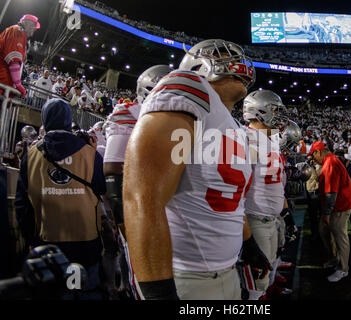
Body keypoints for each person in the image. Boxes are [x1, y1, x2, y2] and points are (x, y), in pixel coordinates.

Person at [123, 39, 270, 300]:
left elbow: (232, 201)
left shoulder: (232, 125)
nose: (236, 62)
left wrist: (248, 244)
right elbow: (142, 197)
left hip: (227, 272)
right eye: (223, 55)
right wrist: (158, 291)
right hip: (187, 281)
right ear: (198, 65)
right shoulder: (189, 87)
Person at [14, 98, 106, 299]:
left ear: (45, 120)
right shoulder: (90, 153)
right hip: (86, 243)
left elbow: (22, 205)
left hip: (49, 244)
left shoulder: (31, 156)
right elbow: (100, 189)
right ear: (68, 119)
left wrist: (31, 239)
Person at [103, 65, 173, 299]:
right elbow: (113, 169)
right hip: (140, 212)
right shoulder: (131, 112)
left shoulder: (175, 120)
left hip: (168, 210)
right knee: (143, 279)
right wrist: (125, 223)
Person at [241, 89, 290, 300]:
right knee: (257, 279)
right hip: (255, 219)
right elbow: (238, 185)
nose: (278, 116)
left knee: (268, 272)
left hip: (271, 219)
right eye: (275, 110)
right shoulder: (246, 138)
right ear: (260, 111)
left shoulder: (271, 140)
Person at [308, 141, 351, 282]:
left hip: (340, 205)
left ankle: (343, 268)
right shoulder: (329, 161)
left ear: (319, 151)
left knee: (339, 235)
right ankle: (334, 258)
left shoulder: (330, 163)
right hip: (337, 203)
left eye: (313, 154)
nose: (313, 158)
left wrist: (327, 213)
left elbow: (331, 193)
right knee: (323, 230)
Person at [0, 14, 40, 98]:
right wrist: (18, 84)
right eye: (34, 27)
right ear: (29, 24)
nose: (35, 30)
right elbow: (14, 61)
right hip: (2, 82)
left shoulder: (16, 31)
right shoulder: (18, 32)